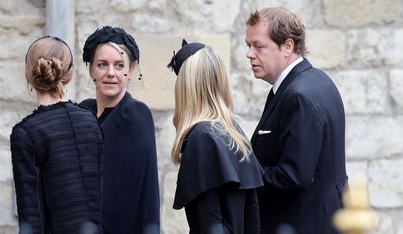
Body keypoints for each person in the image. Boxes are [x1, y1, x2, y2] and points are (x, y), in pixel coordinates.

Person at [245, 7, 348, 234]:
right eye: (248, 45)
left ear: (288, 46)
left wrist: (246, 174)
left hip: (303, 223)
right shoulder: (318, 80)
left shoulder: (298, 95)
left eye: (259, 46)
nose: (250, 54)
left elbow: (294, 175)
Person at [168, 39, 264, 234]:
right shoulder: (234, 130)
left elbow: (211, 222)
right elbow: (252, 217)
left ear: (185, 87)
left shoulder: (202, 138)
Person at [10, 36, 104, 234]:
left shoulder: (26, 133)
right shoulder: (90, 121)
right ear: (68, 75)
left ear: (29, 74)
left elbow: (31, 215)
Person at [80, 26, 160, 234]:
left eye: (119, 65)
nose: (111, 73)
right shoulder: (81, 112)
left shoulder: (135, 115)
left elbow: (140, 193)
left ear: (131, 70)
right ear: (91, 69)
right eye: (102, 64)